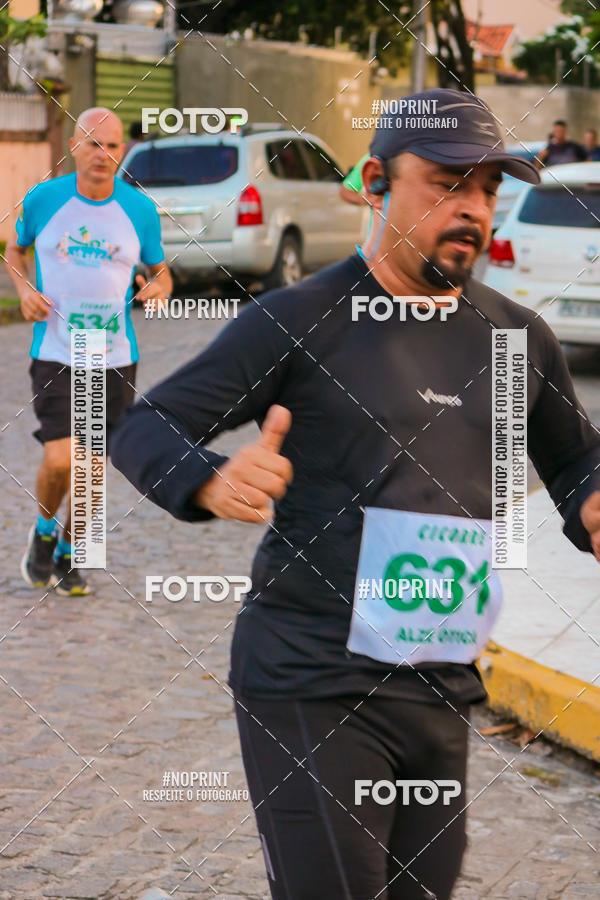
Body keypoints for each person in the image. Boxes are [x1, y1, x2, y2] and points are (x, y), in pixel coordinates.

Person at [111, 88, 600, 899]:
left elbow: (578, 462)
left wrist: (590, 502)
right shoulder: (300, 319)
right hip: (309, 677)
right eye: (447, 183)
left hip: (442, 682)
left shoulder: (516, 338)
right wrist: (208, 478)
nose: (473, 208)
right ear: (376, 181)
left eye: (486, 188)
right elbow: (144, 423)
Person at [7, 107, 172, 596]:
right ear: (75, 146)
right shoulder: (45, 199)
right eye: (94, 144)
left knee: (94, 472)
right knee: (62, 462)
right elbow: (15, 250)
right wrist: (22, 290)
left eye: (113, 146)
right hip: (58, 349)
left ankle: (69, 552)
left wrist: (158, 288)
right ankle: (42, 532)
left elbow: (161, 271)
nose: (103, 155)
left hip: (114, 356)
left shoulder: (139, 210)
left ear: (124, 152)